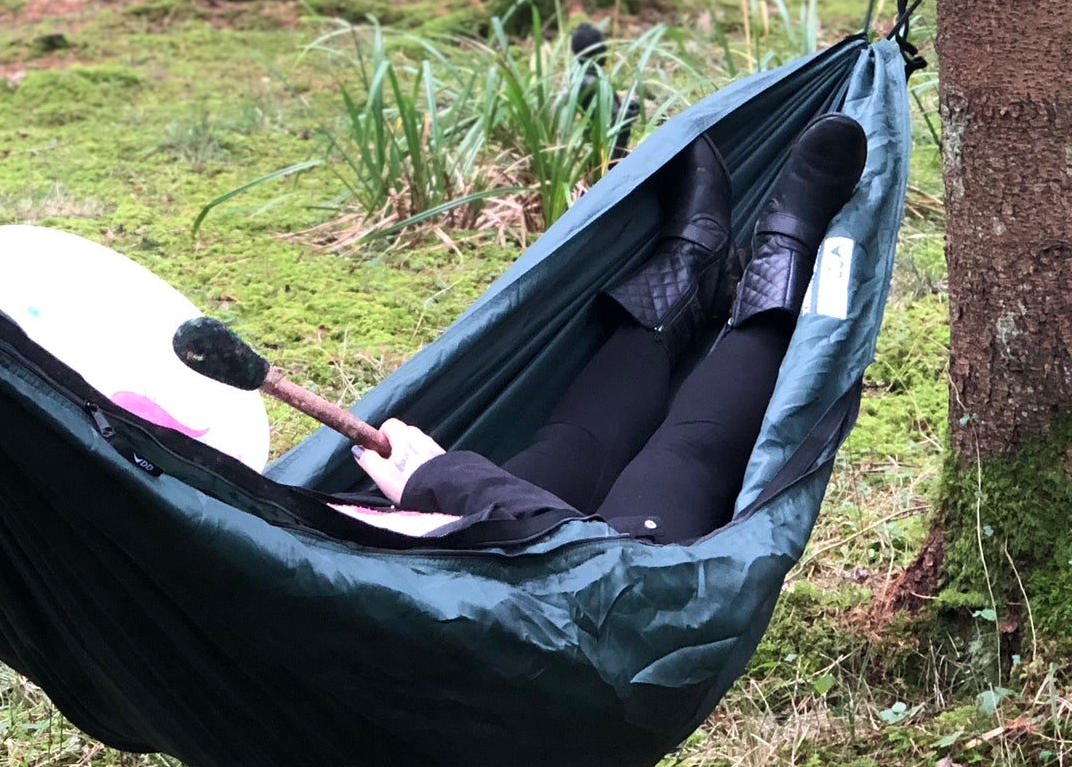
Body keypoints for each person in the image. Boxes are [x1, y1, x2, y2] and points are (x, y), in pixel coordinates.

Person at [333, 115, 868, 546]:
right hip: (587, 603)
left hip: (445, 552)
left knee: (567, 450)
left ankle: (685, 278)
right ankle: (776, 273)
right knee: (685, 460)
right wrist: (441, 481)